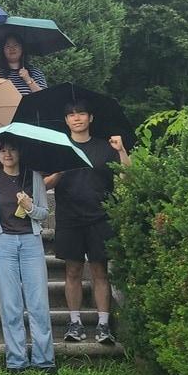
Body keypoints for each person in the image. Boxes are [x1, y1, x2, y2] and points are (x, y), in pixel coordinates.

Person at [46, 100, 130, 345]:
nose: (76, 118)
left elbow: (126, 176)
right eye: (71, 114)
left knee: (99, 271)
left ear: (90, 117)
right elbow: (46, 184)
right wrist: (59, 171)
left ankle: (103, 325)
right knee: (72, 270)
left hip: (100, 215)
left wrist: (122, 150)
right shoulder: (59, 147)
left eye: (81, 113)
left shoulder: (106, 147)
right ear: (66, 120)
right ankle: (75, 322)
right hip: (69, 217)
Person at [0, 138, 57, 375]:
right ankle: (17, 360)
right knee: (10, 304)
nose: (8, 154)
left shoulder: (34, 178)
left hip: (30, 242)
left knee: (38, 302)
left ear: (20, 152)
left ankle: (44, 360)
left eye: (12, 149)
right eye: (3, 150)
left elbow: (42, 214)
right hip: (2, 242)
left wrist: (29, 206)